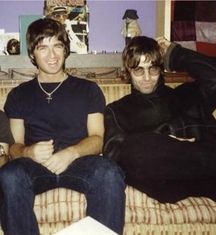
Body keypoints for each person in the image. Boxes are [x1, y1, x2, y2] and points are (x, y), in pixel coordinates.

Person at [0, 18, 125, 235]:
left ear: (65, 49)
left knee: (109, 172)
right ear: (32, 54)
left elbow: (97, 139)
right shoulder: (19, 95)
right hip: (36, 168)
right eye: (43, 47)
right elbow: (14, 148)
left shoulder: (88, 90)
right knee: (10, 174)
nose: (52, 55)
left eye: (57, 45)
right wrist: (29, 151)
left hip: (79, 163)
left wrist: (71, 153)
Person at [103, 36, 216, 209]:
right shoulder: (117, 110)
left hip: (211, 176)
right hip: (166, 179)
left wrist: (175, 53)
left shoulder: (187, 94)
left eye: (153, 69)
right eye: (139, 70)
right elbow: (113, 159)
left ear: (161, 68)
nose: (147, 77)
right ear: (128, 71)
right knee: (132, 149)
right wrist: (169, 143)